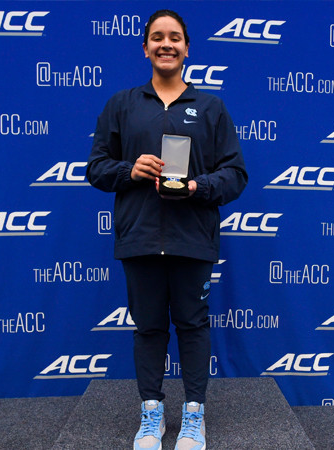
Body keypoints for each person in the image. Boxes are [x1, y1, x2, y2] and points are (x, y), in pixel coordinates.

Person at [86, 9, 247, 450]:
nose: (166, 45)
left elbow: (235, 175)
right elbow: (95, 170)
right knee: (149, 328)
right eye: (157, 37)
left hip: (192, 238)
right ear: (145, 48)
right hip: (139, 237)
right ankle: (151, 414)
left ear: (187, 48)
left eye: (174, 37)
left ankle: (194, 415)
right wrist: (130, 169)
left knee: (193, 325)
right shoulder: (121, 104)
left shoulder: (210, 107)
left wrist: (197, 185)